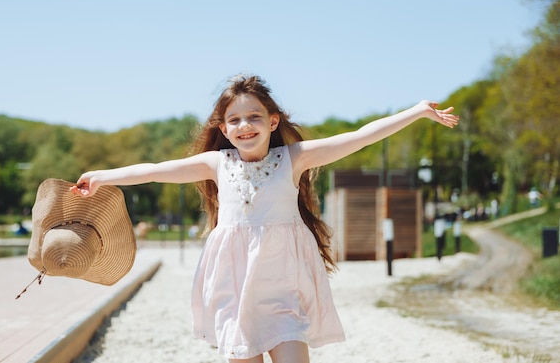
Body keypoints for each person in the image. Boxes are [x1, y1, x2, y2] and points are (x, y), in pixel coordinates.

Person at [70, 73, 459, 363]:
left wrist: (416, 112)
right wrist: (102, 178)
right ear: (223, 128)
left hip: (282, 287)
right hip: (233, 288)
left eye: (254, 117)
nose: (245, 126)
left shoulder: (294, 158)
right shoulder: (215, 164)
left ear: (273, 121)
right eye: (234, 120)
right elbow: (154, 169)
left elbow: (359, 136)